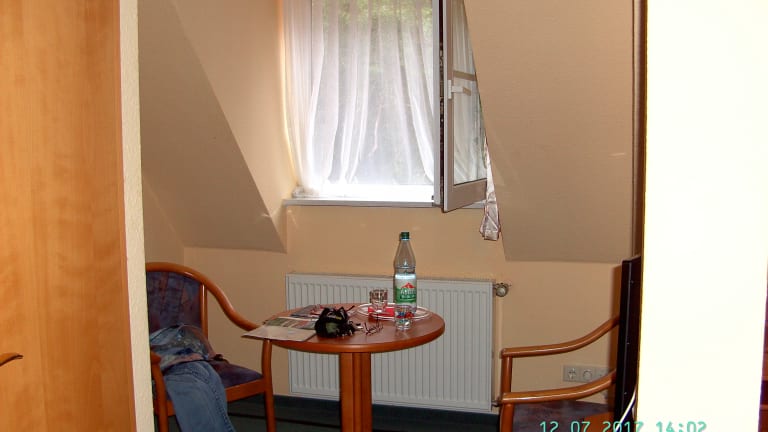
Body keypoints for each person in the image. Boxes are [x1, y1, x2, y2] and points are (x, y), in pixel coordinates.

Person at [150, 325, 236, 432]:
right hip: (167, 367)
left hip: (188, 361)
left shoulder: (180, 331)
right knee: (195, 388)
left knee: (206, 381)